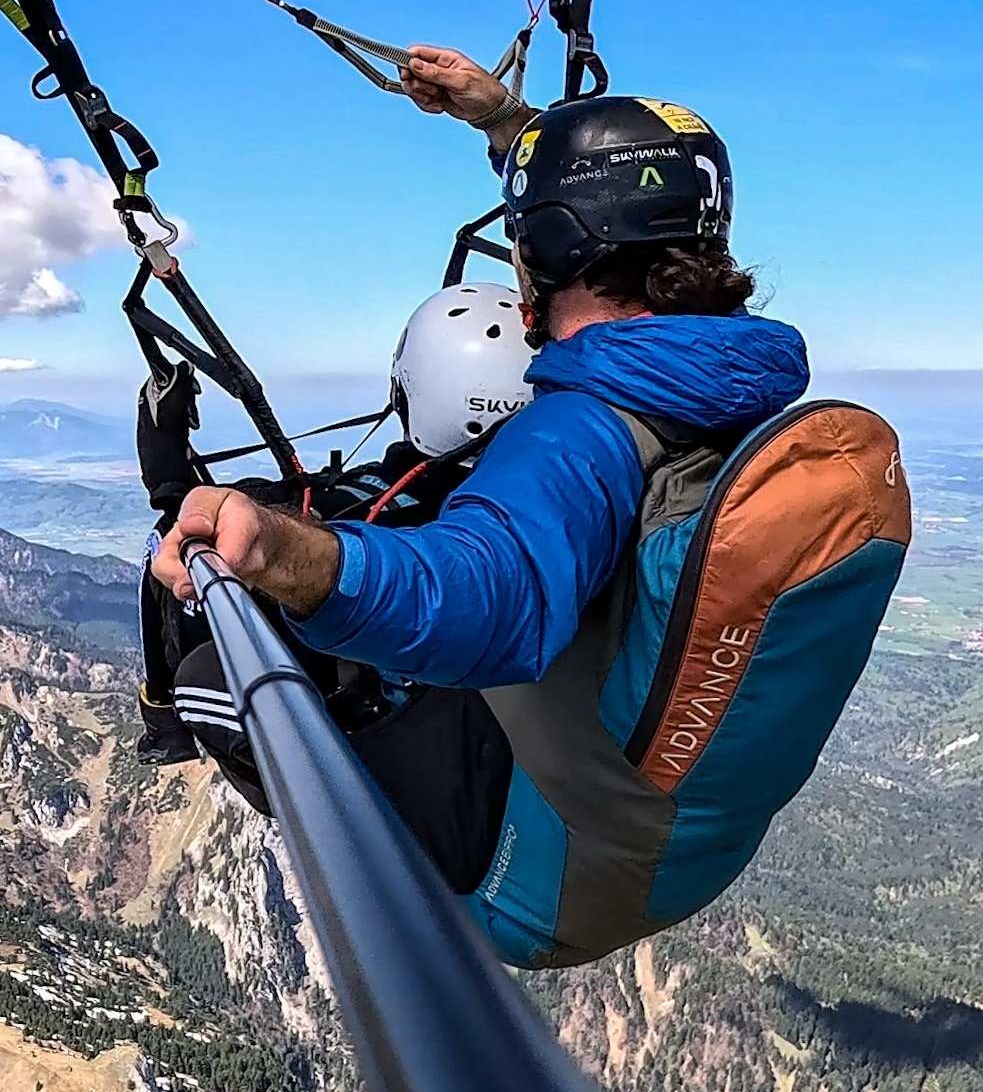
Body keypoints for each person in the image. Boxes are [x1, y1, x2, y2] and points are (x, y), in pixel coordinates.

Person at [149, 52, 863, 969]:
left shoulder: (583, 430)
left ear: (555, 252)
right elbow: (616, 203)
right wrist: (507, 120)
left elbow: (490, 597)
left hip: (538, 881)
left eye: (525, 237)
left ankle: (396, 872)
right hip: (671, 844)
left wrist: (290, 556)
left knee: (217, 671)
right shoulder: (733, 387)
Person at [136, 283, 534, 895]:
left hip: (423, 806)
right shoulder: (535, 517)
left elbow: (202, 568)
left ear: (409, 388)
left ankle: (167, 727)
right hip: (518, 772)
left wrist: (168, 480)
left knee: (205, 670)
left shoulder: (370, 521)